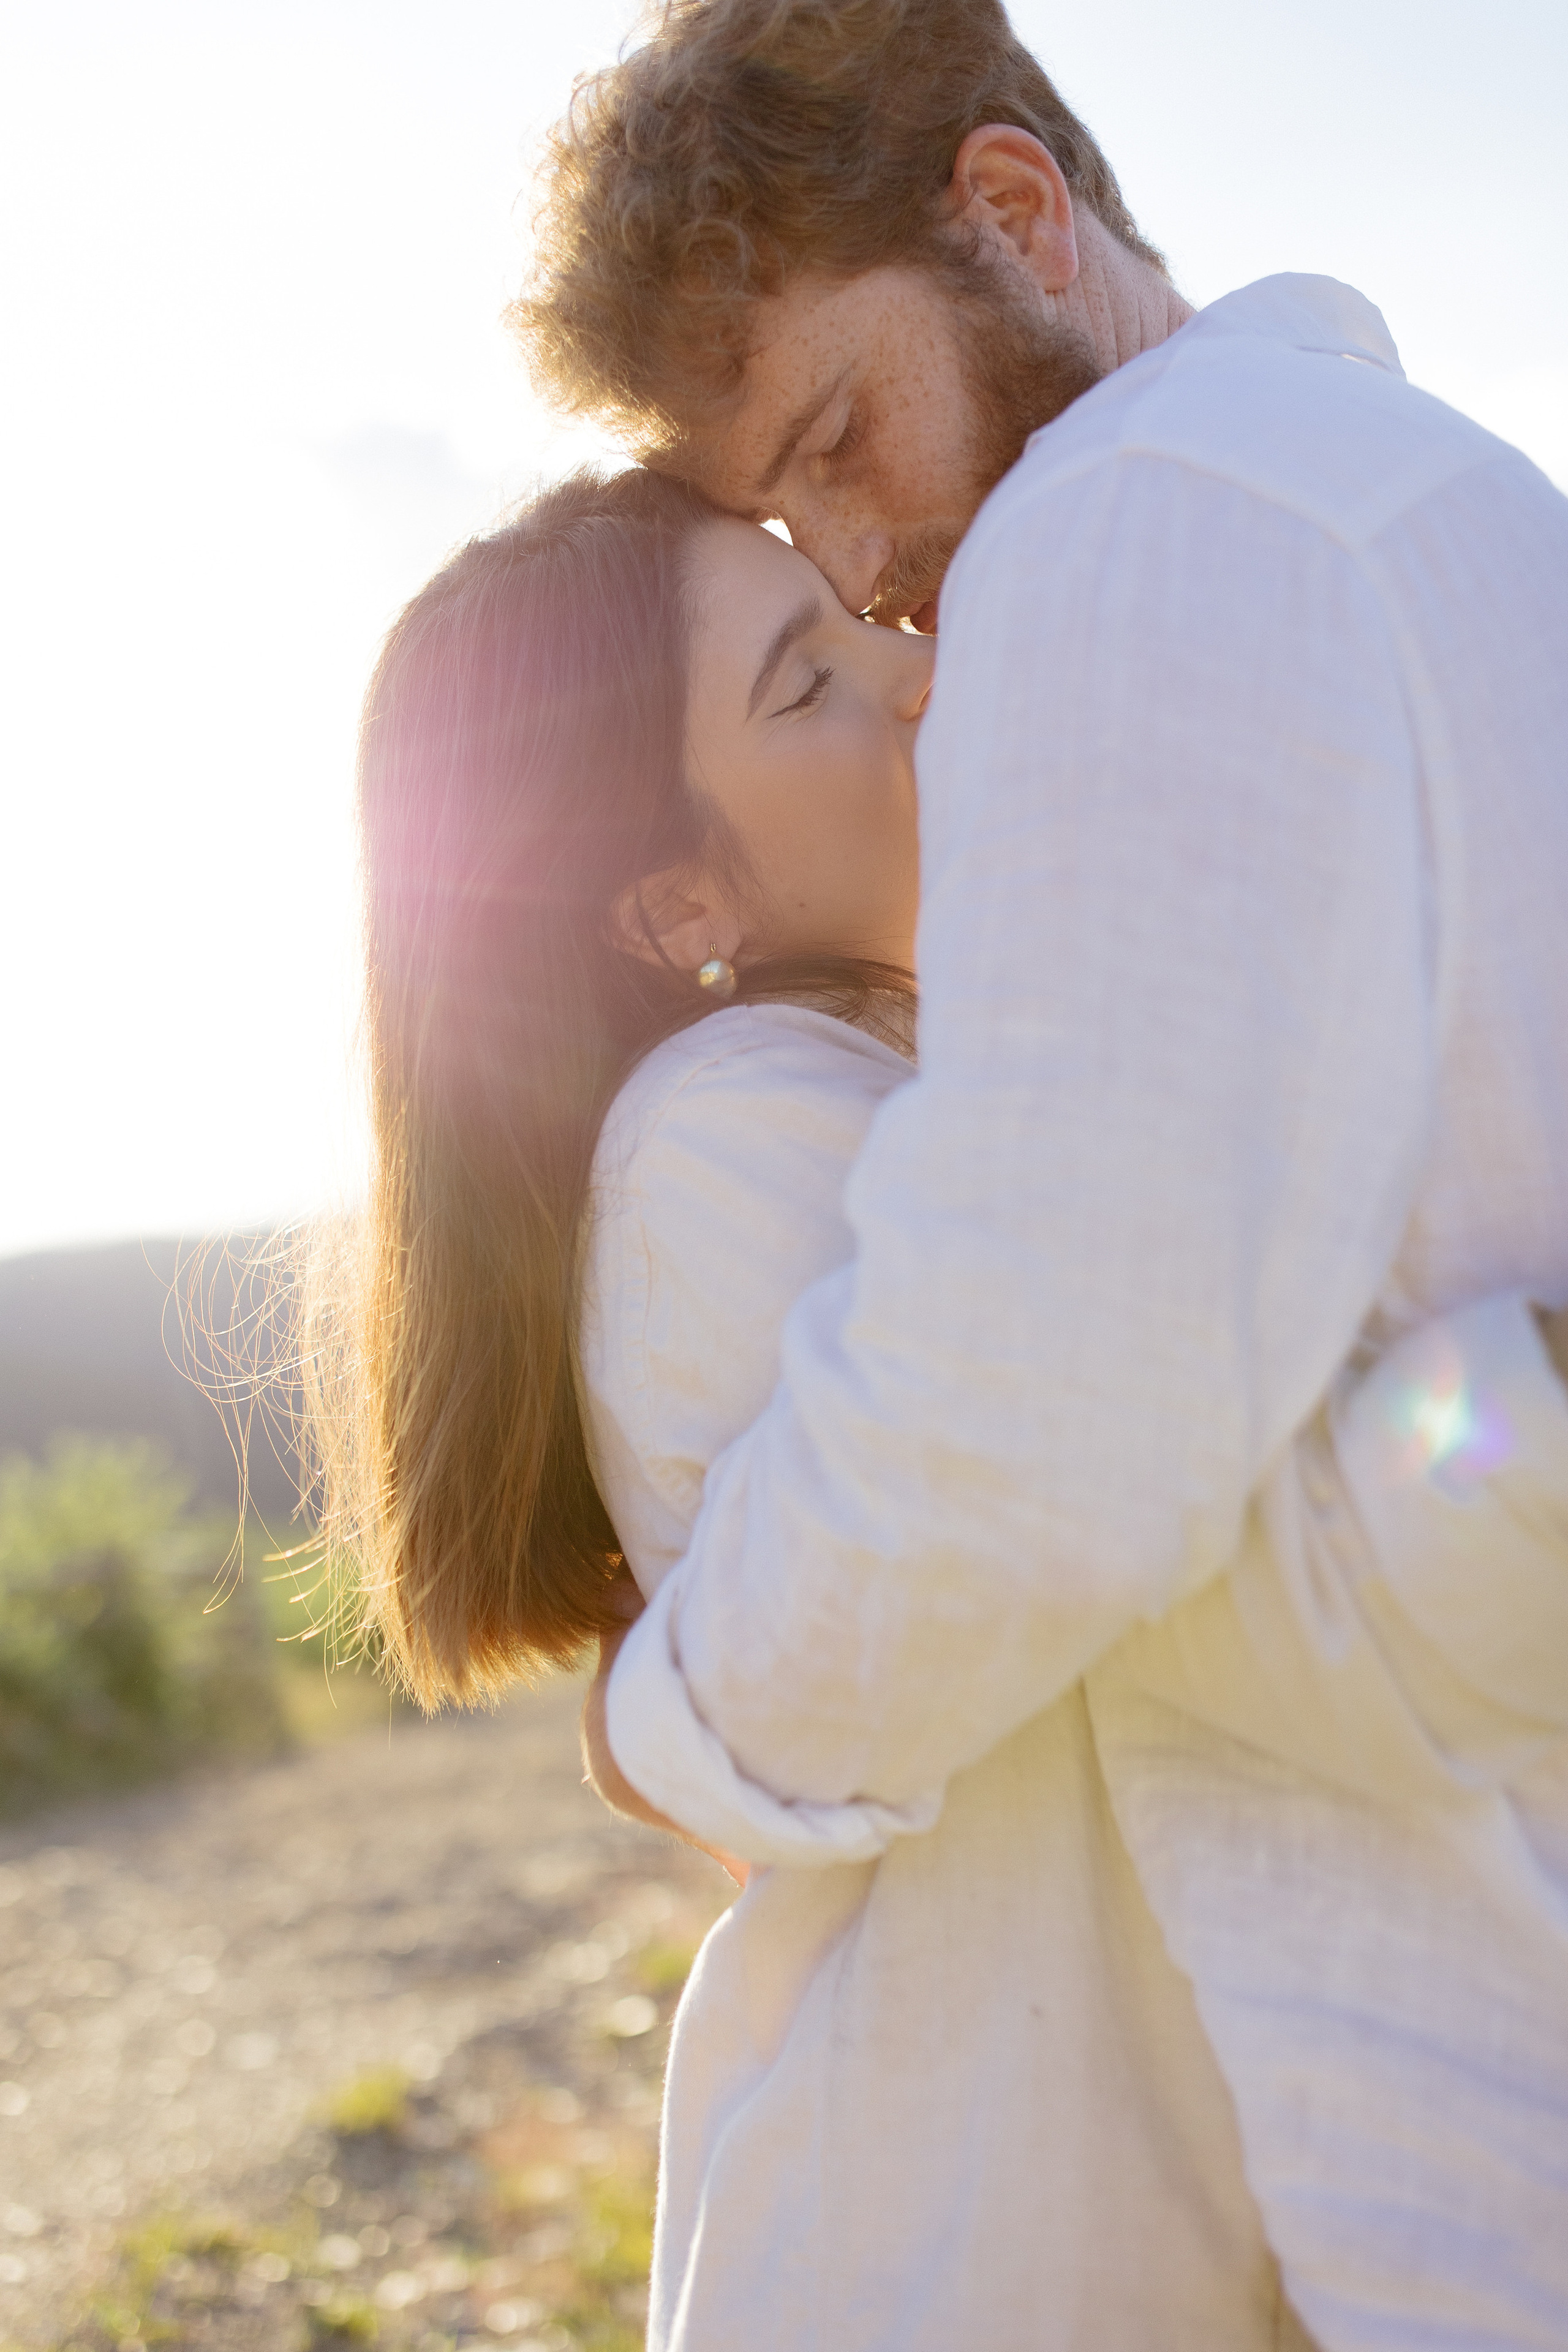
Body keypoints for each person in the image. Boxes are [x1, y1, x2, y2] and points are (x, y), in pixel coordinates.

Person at [516, 0, 1568, 2343]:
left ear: (1017, 215)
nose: (873, 567)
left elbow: (1026, 1415)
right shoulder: (1437, 493)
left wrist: (666, 1726)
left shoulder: (1126, 525)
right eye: (791, 524)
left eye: (843, 437)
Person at [305, 464, 1568, 2350]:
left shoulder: (897, 1060)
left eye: (852, 620)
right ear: (676, 903)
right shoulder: (739, 1132)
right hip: (967, 2247)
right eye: (801, 683)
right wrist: (1518, 1401)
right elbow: (1132, 1510)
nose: (914, 673)